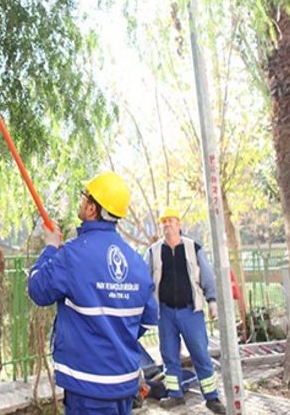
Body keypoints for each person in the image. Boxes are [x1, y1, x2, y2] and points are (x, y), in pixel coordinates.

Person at [28, 171, 158, 415]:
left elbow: (37, 289)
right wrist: (116, 338)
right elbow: (149, 320)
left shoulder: (72, 255)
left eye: (84, 197)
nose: (81, 201)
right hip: (124, 382)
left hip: (87, 387)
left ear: (91, 209)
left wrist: (50, 247)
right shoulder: (137, 263)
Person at [146, 208, 226, 414]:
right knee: (169, 355)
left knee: (200, 353)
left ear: (179, 224)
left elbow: (207, 275)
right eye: (164, 222)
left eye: (171, 221)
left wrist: (212, 300)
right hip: (165, 313)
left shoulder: (193, 248)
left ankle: (211, 397)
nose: (167, 225)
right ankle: (175, 395)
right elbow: (147, 282)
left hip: (191, 311)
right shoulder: (153, 251)